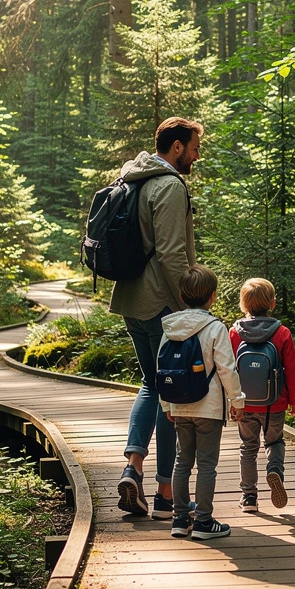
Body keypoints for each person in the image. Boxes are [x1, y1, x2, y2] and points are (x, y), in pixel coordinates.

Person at [111, 117, 203, 518]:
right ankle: (166, 493)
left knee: (151, 384)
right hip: (163, 306)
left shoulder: (134, 178)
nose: (197, 155)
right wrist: (190, 306)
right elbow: (170, 254)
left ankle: (133, 468)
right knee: (171, 393)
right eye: (195, 147)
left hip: (131, 298)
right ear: (177, 147)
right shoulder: (168, 185)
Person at [161, 264, 245, 540]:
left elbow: (161, 371)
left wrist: (166, 406)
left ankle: (180, 517)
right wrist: (237, 401)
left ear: (182, 297)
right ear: (212, 296)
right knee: (207, 463)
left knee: (182, 461)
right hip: (208, 407)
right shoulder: (215, 327)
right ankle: (204, 522)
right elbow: (226, 368)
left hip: (179, 405)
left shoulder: (170, 327)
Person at [229, 278, 295, 512]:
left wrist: (230, 401)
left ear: (243, 304)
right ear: (272, 303)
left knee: (248, 447)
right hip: (275, 403)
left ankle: (249, 497)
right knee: (275, 441)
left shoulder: (234, 333)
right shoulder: (281, 333)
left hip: (244, 402)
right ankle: (274, 471)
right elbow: (291, 369)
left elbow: (228, 369)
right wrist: (294, 400)